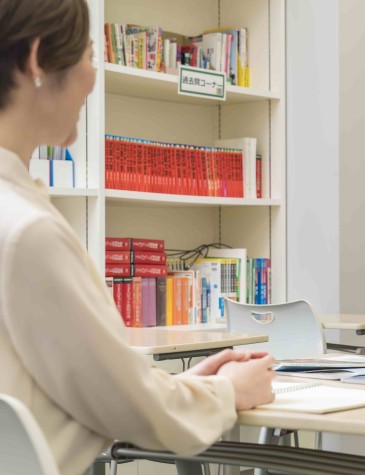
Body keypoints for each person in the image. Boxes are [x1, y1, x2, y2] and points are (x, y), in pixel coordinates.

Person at [0, 1, 275, 474]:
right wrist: (230, 390)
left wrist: (180, 386)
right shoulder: (28, 233)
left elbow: (85, 388)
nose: (92, 77)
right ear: (38, 61)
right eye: (89, 55)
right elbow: (128, 409)